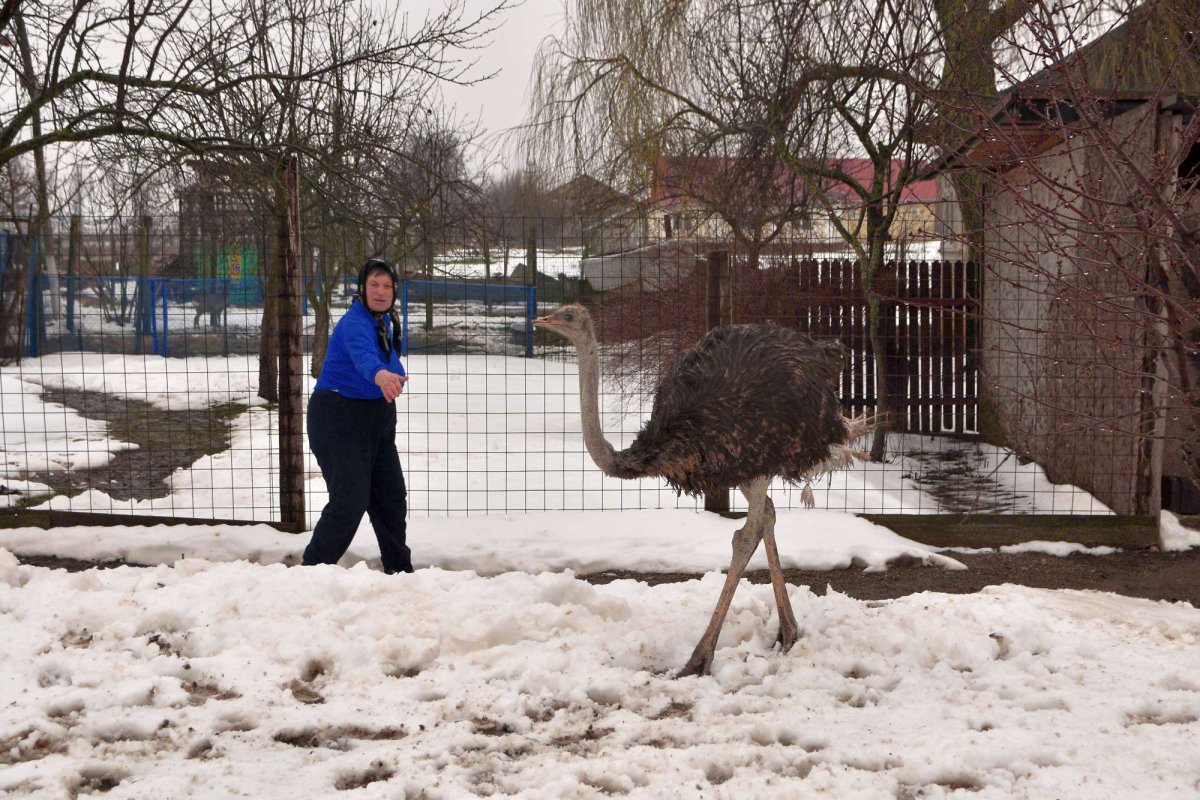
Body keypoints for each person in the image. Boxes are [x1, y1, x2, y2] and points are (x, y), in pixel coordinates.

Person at [302, 257, 413, 574]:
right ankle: (310, 572)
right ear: (362, 290)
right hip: (339, 416)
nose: (381, 292)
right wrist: (380, 375)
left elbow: (388, 360)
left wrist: (392, 375)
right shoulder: (354, 323)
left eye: (387, 286)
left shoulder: (385, 322)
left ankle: (400, 571)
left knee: (391, 497)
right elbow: (364, 356)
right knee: (349, 502)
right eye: (374, 285)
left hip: (375, 416)